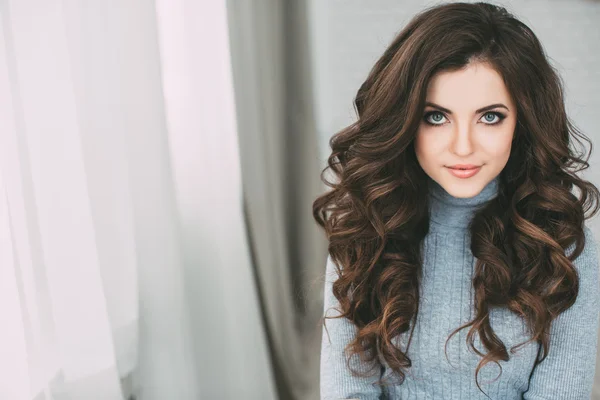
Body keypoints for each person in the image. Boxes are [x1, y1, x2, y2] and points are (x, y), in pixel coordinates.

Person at [311, 2, 600, 399]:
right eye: (436, 117)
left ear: (523, 120)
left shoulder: (564, 244)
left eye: (490, 117)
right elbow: (348, 391)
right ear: (405, 120)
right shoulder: (366, 227)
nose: (462, 147)